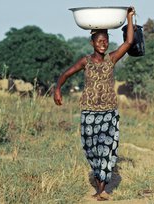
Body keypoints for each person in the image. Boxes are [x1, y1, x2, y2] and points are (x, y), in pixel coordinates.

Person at [54, 7, 135, 201]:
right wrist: (58, 89)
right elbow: (65, 74)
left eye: (105, 41)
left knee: (107, 149)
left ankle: (102, 190)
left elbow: (129, 41)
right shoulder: (85, 61)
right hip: (89, 113)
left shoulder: (112, 58)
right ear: (92, 43)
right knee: (91, 149)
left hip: (109, 113)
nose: (103, 44)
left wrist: (129, 17)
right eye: (99, 41)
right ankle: (99, 180)